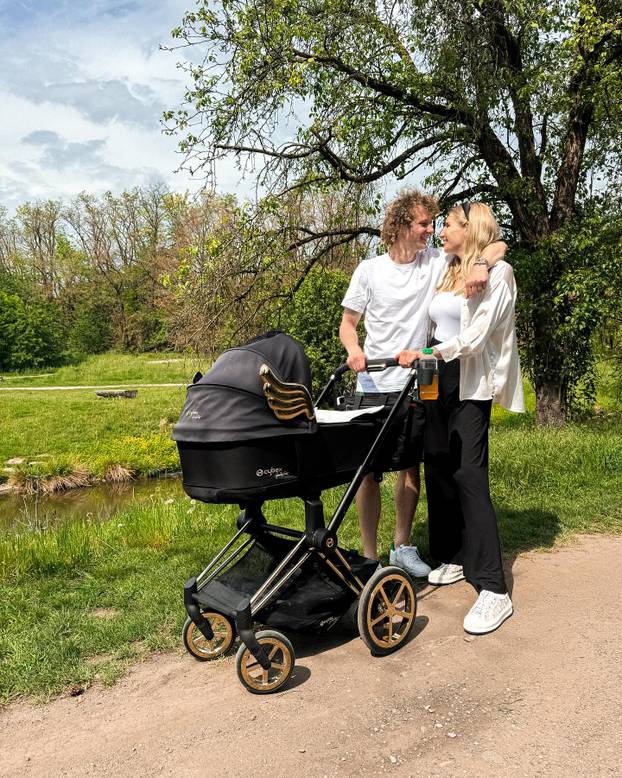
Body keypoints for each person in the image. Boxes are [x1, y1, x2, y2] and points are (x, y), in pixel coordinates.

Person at [339, 190, 507, 578]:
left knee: (411, 467)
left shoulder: (434, 261)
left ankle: (402, 546)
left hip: (416, 382)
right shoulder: (369, 270)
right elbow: (348, 324)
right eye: (423, 224)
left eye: (435, 224)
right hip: (373, 382)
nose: (431, 231)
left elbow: (496, 241)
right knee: (368, 472)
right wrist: (354, 349)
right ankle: (369, 556)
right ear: (400, 226)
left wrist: (482, 262)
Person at [397, 201, 524, 633]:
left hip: (467, 379)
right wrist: (424, 358)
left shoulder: (497, 276)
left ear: (470, 229)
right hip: (434, 378)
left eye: (448, 225)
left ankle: (493, 588)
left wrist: (487, 260)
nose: (440, 232)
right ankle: (452, 556)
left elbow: (473, 337)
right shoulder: (448, 268)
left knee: (470, 474)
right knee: (439, 468)